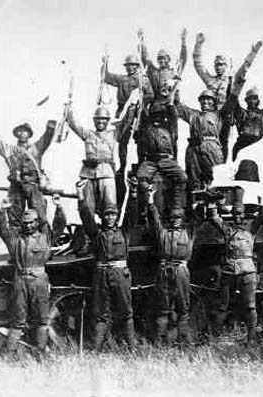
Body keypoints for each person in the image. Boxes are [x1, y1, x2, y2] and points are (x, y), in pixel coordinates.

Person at [76, 179, 136, 350]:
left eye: (113, 215)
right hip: (101, 275)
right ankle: (96, 349)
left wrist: (132, 193)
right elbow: (87, 217)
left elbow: (132, 213)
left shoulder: (124, 232)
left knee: (126, 312)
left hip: (120, 275)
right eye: (107, 215)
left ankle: (132, 348)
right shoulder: (97, 234)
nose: (110, 218)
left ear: (117, 217)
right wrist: (81, 197)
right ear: (103, 217)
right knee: (101, 314)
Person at [208, 186, 263, 344]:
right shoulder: (227, 230)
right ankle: (215, 338)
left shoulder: (251, 231)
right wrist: (213, 202)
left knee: (250, 306)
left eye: (240, 214)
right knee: (222, 305)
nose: (237, 217)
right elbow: (214, 218)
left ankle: (251, 338)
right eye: (234, 214)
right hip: (229, 271)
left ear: (244, 214)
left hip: (247, 271)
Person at [0, 203, 53, 354]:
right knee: (17, 321)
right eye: (25, 223)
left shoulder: (46, 238)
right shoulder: (16, 241)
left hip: (39, 281)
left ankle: (40, 353)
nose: (28, 226)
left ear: (37, 222)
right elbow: (3, 230)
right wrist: (3, 211)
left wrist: (59, 207)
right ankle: (10, 356)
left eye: (31, 222)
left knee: (42, 319)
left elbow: (59, 224)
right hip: (20, 281)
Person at [103, 53, 154, 203]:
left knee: (138, 141)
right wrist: (104, 63)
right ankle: (122, 165)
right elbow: (106, 77)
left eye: (133, 65)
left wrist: (140, 98)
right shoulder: (122, 79)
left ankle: (137, 166)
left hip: (137, 114)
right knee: (122, 142)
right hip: (123, 114)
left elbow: (150, 95)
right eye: (128, 65)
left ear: (137, 66)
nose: (130, 68)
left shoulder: (142, 80)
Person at [145, 186, 193, 344]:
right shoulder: (163, 233)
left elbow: (197, 216)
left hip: (181, 271)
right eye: (173, 218)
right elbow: (154, 218)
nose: (175, 220)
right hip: (164, 271)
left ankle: (184, 343)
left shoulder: (189, 233)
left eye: (178, 218)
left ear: (183, 219)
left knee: (183, 309)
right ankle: (159, 343)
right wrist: (150, 199)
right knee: (163, 309)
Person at [0, 120, 56, 221]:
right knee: (14, 217)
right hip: (16, 186)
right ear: (16, 134)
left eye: (25, 131)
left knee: (40, 216)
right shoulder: (9, 150)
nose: (22, 133)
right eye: (19, 131)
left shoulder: (37, 148)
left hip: (33, 185)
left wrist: (51, 127)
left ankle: (42, 235)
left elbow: (47, 138)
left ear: (29, 134)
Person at [66, 105, 118, 217]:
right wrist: (68, 109)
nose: (101, 121)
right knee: (86, 207)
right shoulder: (88, 134)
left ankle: (109, 232)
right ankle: (89, 232)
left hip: (106, 174)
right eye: (98, 119)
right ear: (94, 120)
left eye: (104, 119)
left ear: (108, 121)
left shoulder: (113, 134)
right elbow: (73, 124)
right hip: (88, 174)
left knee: (110, 206)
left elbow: (127, 124)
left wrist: (132, 106)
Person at [136, 102, 187, 218]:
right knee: (141, 179)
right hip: (150, 161)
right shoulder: (147, 128)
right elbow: (142, 114)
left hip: (166, 160)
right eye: (154, 115)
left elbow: (173, 116)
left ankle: (176, 206)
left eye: (160, 115)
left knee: (182, 177)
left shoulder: (170, 129)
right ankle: (147, 207)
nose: (157, 118)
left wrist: (170, 105)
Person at [193, 32, 263, 108]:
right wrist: (198, 45)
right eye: (216, 65)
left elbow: (245, 67)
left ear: (225, 66)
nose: (218, 67)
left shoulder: (232, 80)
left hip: (229, 115)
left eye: (221, 65)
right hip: (213, 114)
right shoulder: (210, 80)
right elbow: (198, 65)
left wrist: (253, 53)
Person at [177, 90, 229, 191]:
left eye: (209, 99)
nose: (205, 102)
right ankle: (196, 203)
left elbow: (231, 102)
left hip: (212, 147)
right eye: (203, 99)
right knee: (194, 178)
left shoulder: (220, 115)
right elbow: (179, 107)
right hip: (194, 147)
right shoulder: (194, 115)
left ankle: (215, 203)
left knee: (215, 176)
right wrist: (175, 89)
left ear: (214, 101)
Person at [227, 87, 263, 161]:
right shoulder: (242, 113)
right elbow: (233, 100)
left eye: (254, 98)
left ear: (258, 101)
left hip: (258, 146)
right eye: (250, 99)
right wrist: (231, 86)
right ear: (246, 101)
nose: (252, 101)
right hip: (242, 145)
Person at [139, 28, 188, 102]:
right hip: (158, 104)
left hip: (173, 104)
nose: (162, 61)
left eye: (164, 58)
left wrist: (183, 42)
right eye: (159, 59)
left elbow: (182, 59)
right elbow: (145, 58)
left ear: (168, 59)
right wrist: (141, 41)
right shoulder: (154, 72)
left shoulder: (174, 72)